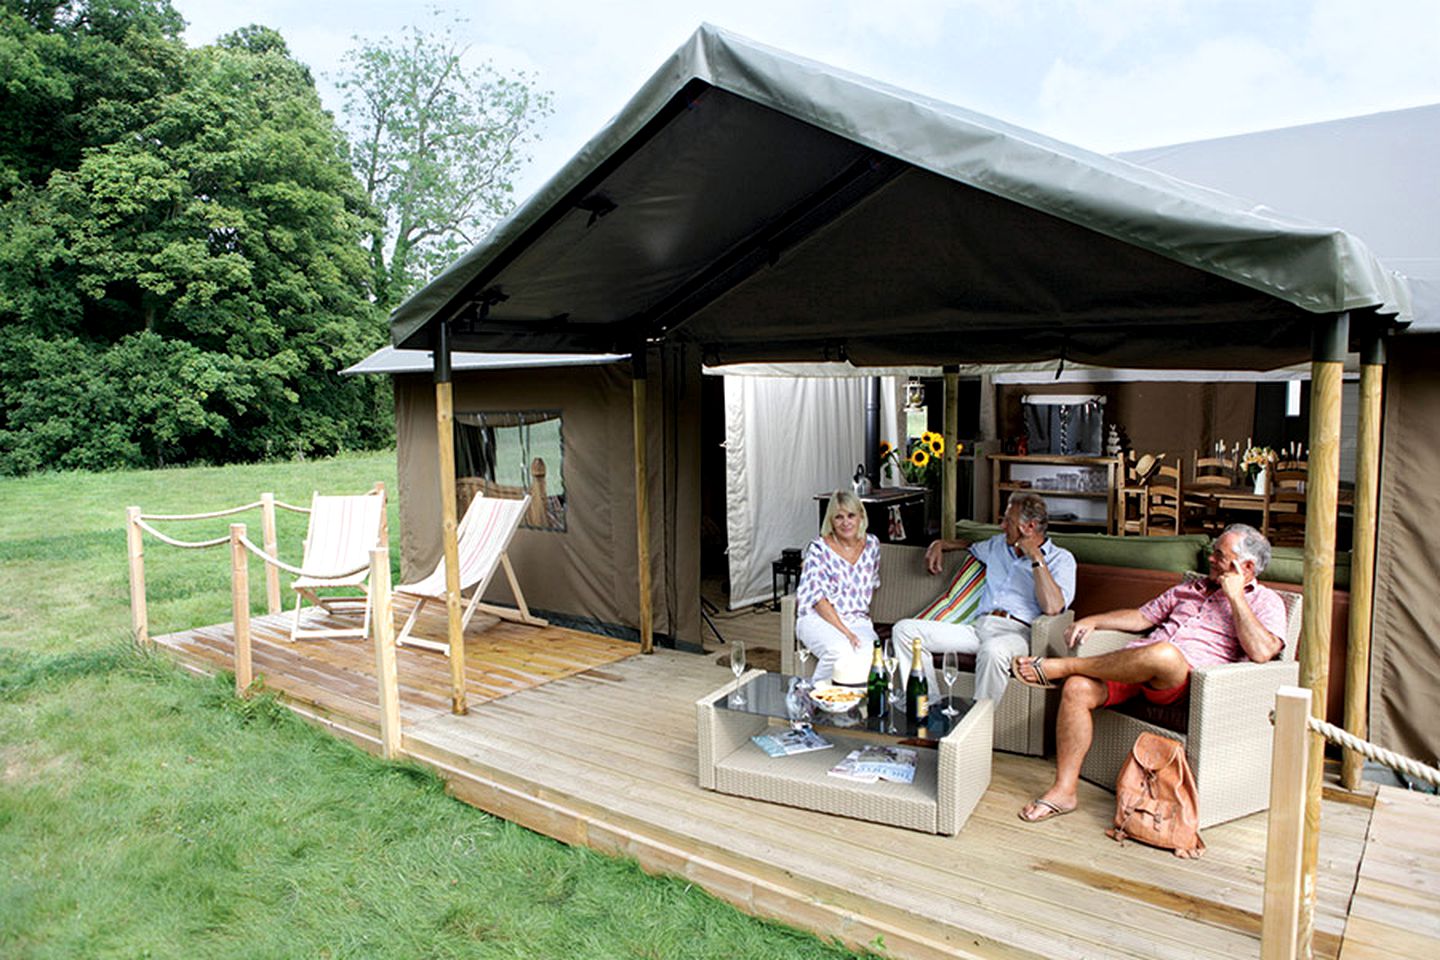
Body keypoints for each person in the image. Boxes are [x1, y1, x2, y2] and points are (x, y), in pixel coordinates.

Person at [1012, 523, 1285, 827]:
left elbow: (1263, 651)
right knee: (1077, 689)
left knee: (1164, 653)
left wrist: (1235, 597)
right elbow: (1143, 616)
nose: (1210, 558)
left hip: (1187, 685)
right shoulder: (1189, 588)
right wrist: (1094, 621)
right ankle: (1064, 791)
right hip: (1139, 668)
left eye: (1219, 555)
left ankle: (1062, 666)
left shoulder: (1266, 601)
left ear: (1246, 566)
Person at [891, 493, 1076, 704]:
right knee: (905, 630)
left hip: (1017, 634)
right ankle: (927, 706)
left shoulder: (1061, 559)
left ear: (1030, 527)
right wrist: (940, 544)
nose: (1001, 526)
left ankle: (977, 727)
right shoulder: (998, 545)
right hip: (978, 628)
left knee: (992, 651)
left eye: (1008, 521)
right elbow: (969, 544)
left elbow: (1053, 608)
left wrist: (1036, 557)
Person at [794, 490, 881, 685]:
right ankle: (813, 702)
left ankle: (853, 708)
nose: (846, 522)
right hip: (818, 619)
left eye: (851, 515)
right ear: (831, 521)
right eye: (839, 517)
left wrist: (855, 625)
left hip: (857, 619)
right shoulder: (818, 549)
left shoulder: (872, 545)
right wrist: (847, 633)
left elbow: (870, 584)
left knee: (870, 658)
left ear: (861, 516)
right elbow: (818, 600)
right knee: (840, 651)